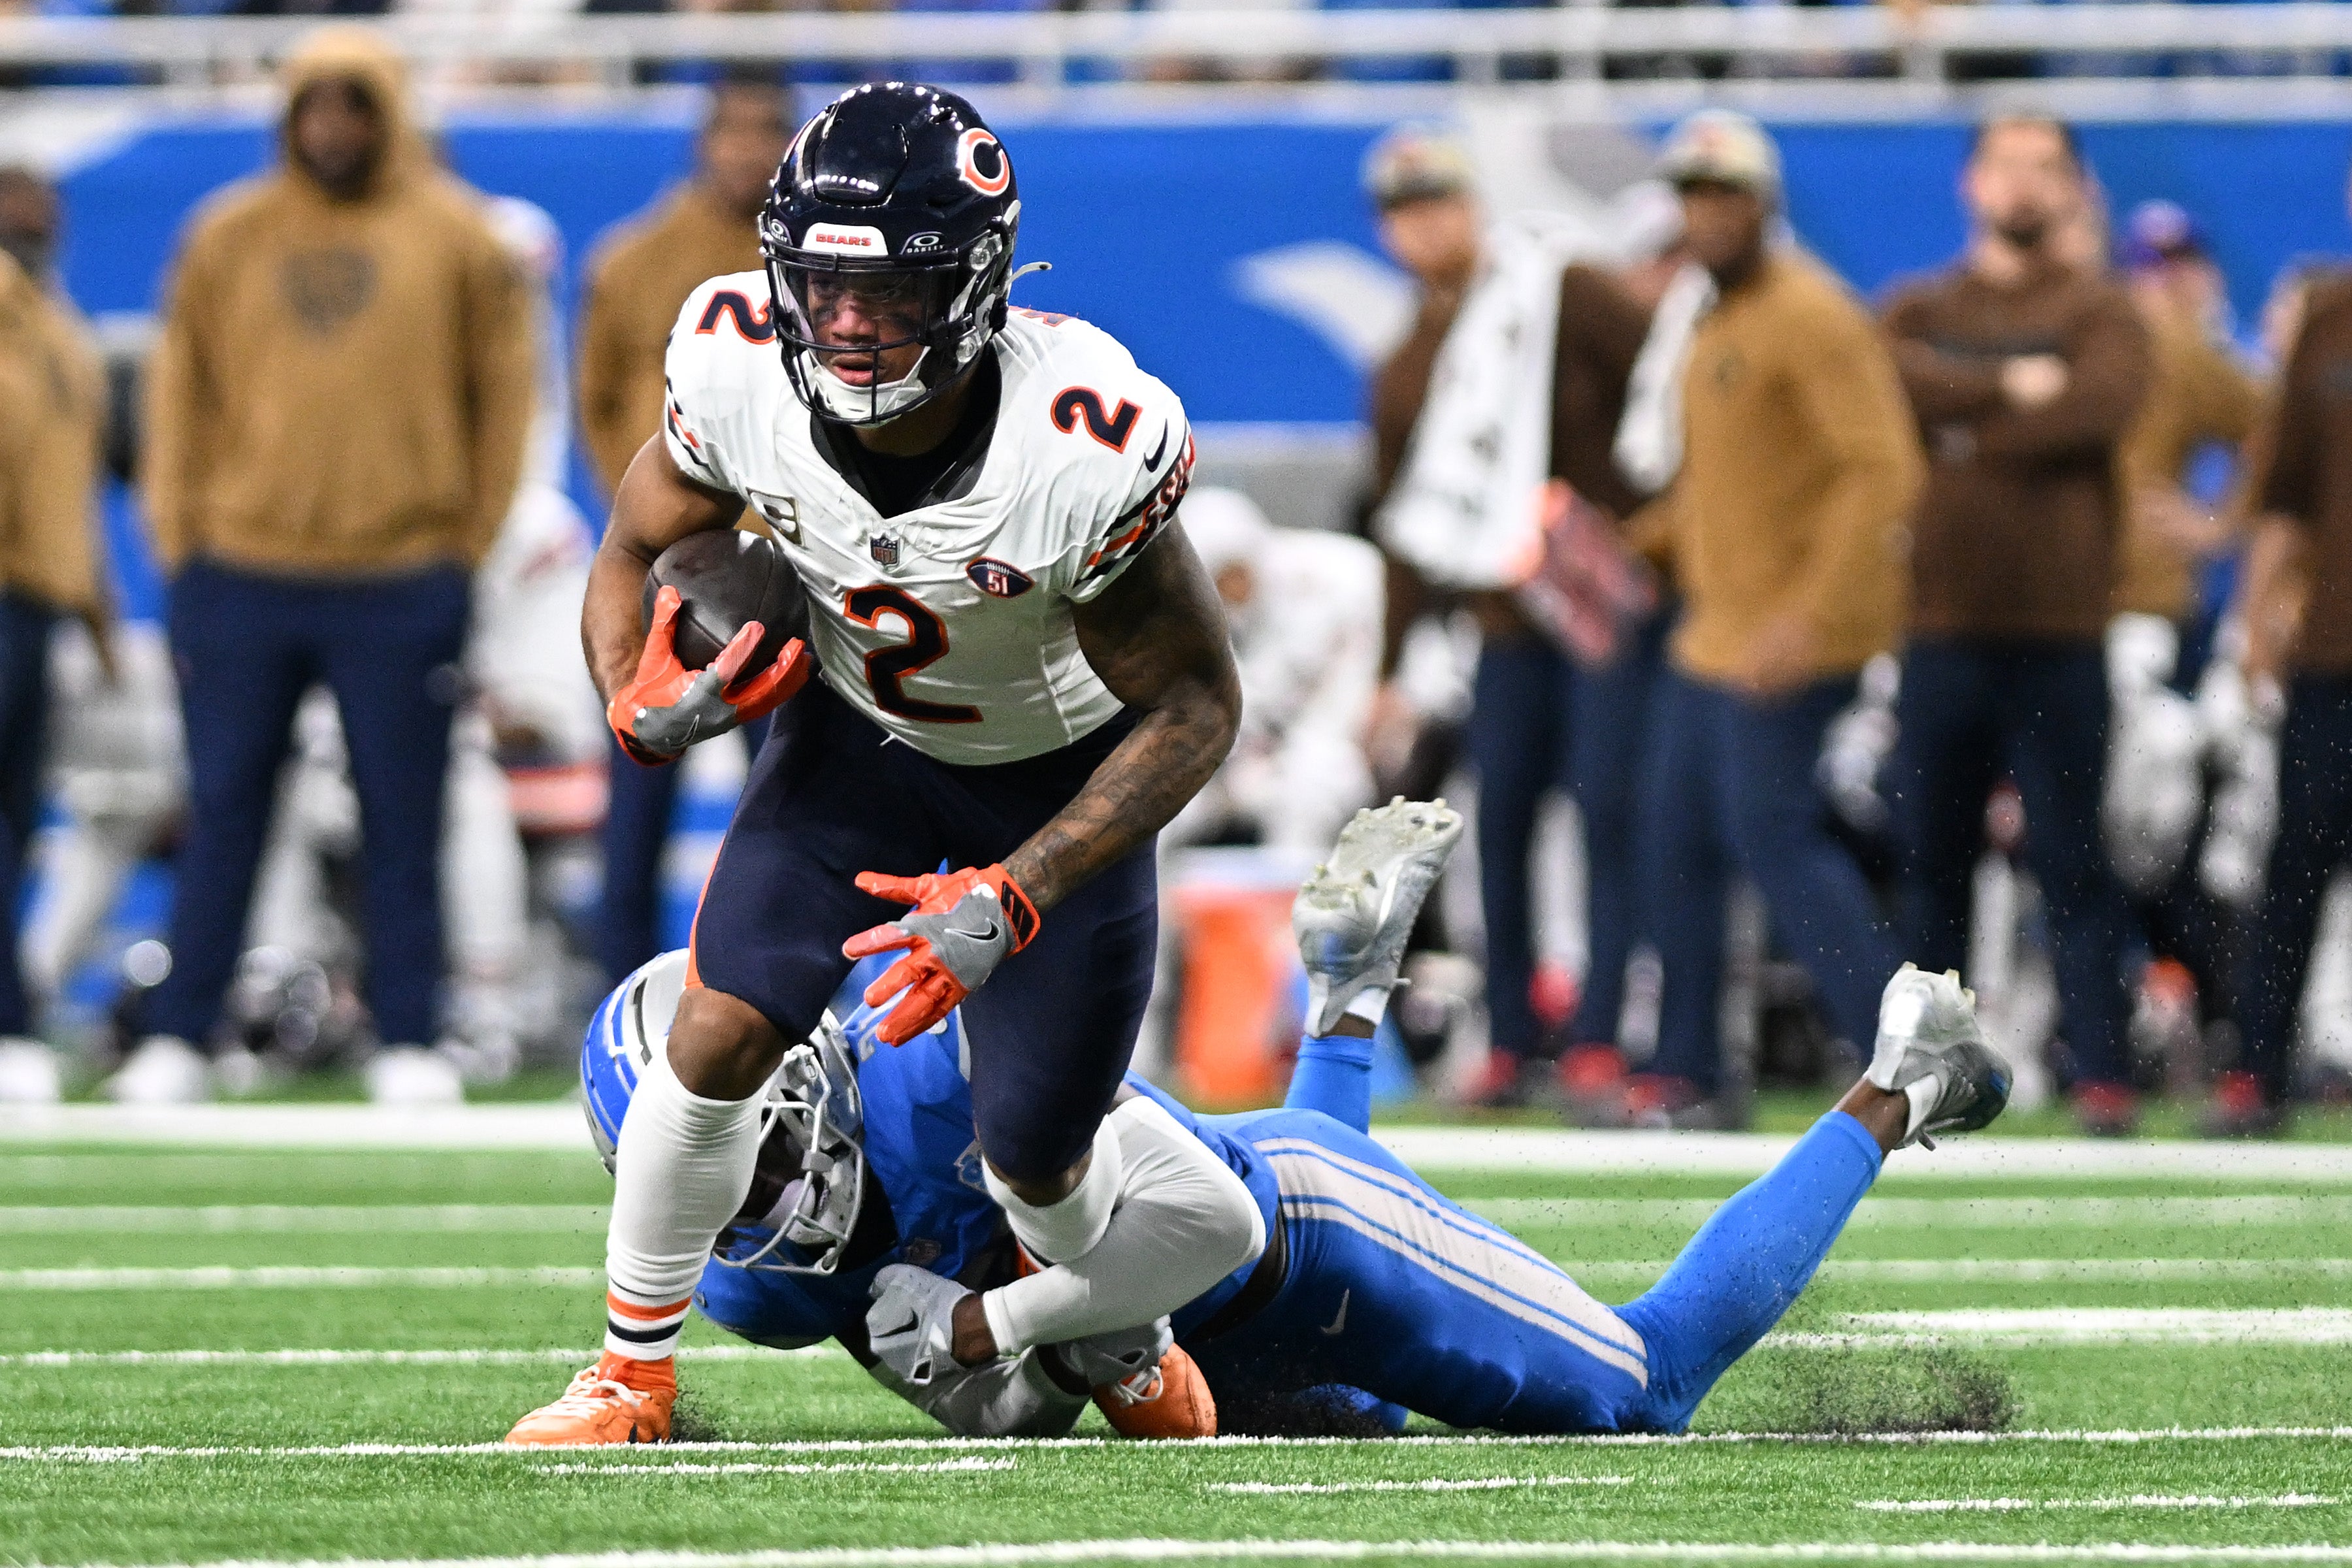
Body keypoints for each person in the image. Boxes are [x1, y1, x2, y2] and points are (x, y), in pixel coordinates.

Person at [508, 83, 1245, 1444]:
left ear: (975, 284)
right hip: (858, 742)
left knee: (1040, 1165)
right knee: (718, 1032)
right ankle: (629, 1376)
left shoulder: (1079, 441)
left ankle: (1120, 1334)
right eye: (823, 284)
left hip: (1054, 777)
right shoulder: (732, 357)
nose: (847, 324)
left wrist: (1019, 889)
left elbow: (1197, 709)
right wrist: (631, 690)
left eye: (892, 290)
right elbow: (632, 542)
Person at [527, 799, 2012, 1443]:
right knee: (1380, 1433)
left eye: (759, 1154)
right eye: (712, 1180)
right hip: (1220, 1342)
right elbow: (1026, 1400)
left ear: (802, 1080)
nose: (754, 1203)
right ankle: (1348, 992)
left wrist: (995, 1324)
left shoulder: (932, 1073)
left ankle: (1898, 1077)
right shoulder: (746, 1288)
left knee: (1645, 1383)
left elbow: (1215, 1224)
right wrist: (1031, 1363)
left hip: (1290, 1238)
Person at [121, 26, 535, 1106]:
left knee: (406, 818)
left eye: (355, 105)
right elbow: (178, 398)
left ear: (388, 113)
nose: (334, 127)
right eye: (315, 106)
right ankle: (181, 1035)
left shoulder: (460, 238)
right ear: (289, 115)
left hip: (402, 576)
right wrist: (181, 546)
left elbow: (504, 400)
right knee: (223, 811)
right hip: (241, 572)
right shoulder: (225, 235)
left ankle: (409, 1036)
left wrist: (461, 546)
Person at [1614, 110, 1921, 1128]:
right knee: (1674, 845)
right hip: (1713, 635)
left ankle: (1905, 1060)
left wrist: (1812, 617)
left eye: (1726, 196)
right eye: (1692, 196)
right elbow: (1729, 485)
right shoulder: (1717, 318)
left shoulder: (1812, 314)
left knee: (1776, 840)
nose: (1707, 214)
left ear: (1763, 205)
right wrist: (1634, 545)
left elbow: (1881, 473)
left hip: (1786, 639)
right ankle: (1692, 1069)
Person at [1367, 125, 1663, 1106]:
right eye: (1403, 213)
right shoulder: (1407, 363)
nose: (1424, 227)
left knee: (1608, 816)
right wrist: (1387, 672)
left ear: (1474, 207)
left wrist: (1642, 533)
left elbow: (1667, 392)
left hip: (1594, 611)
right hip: (1501, 625)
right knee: (1500, 830)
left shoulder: (1558, 290)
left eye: (1437, 203)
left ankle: (1602, 1031)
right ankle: (1510, 1034)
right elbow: (1405, 528)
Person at [1881, 115, 2153, 1135]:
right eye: (2007, 165)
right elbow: (1884, 379)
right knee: (1931, 862)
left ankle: (2103, 1074)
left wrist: (1960, 427)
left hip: (2059, 633)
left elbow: (2095, 410)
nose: (2025, 185)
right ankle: (1922, 1078)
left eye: (2046, 167)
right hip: (1942, 628)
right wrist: (2006, 384)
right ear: (1972, 183)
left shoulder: (2103, 309)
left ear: (2076, 186)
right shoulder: (1922, 304)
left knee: (2075, 861)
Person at [577, 77, 795, 983]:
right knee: (636, 789)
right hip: (664, 572)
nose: (746, 151)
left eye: (765, 133)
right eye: (731, 133)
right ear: (703, 142)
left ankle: (788, 991)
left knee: (791, 799)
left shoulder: (819, 267)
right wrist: (656, 523)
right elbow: (597, 403)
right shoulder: (633, 261)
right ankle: (618, 989)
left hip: (790, 574)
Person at [0, 166, 110, 1105]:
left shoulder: (53, 325)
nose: (27, 225)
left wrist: (96, 611)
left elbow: (68, 484)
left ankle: (12, 1013)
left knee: (18, 823)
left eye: (38, 211)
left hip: (33, 596)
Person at [1163, 487, 1381, 857]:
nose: (1230, 588)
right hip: (1231, 758)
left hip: (1319, 745)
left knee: (1313, 788)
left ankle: (1294, 893)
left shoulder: (1331, 584)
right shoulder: (1194, 617)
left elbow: (1337, 704)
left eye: (1235, 573)